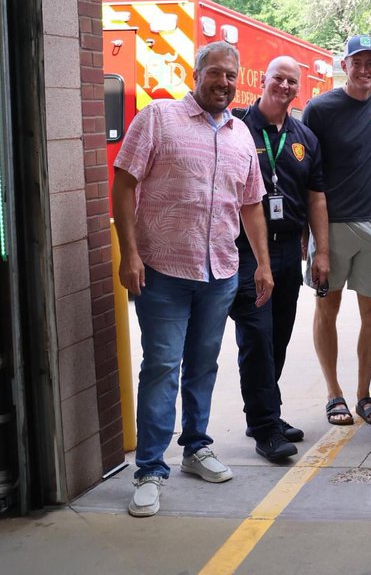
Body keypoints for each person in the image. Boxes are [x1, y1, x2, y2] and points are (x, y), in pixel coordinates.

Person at [112, 41, 273, 518]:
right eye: (216, 73)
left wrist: (262, 263)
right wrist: (130, 254)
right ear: (197, 73)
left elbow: (251, 204)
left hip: (220, 271)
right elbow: (123, 183)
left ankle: (196, 447)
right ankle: (149, 470)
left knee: (203, 365)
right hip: (162, 268)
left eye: (231, 75)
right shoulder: (159, 118)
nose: (224, 82)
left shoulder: (243, 134)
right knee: (161, 366)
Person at [228, 56, 331, 461]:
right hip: (247, 250)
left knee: (279, 335)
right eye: (278, 78)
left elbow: (316, 197)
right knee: (256, 334)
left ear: (298, 89)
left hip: (289, 247)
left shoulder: (305, 136)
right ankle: (267, 428)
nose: (285, 86)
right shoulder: (237, 128)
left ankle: (265, 415)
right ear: (263, 81)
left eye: (292, 81)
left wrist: (321, 250)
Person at [301, 35, 371, 428]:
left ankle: (363, 393)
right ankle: (334, 394)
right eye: (356, 62)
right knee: (327, 308)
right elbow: (306, 171)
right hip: (331, 226)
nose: (364, 70)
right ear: (343, 65)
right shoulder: (320, 108)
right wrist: (310, 240)